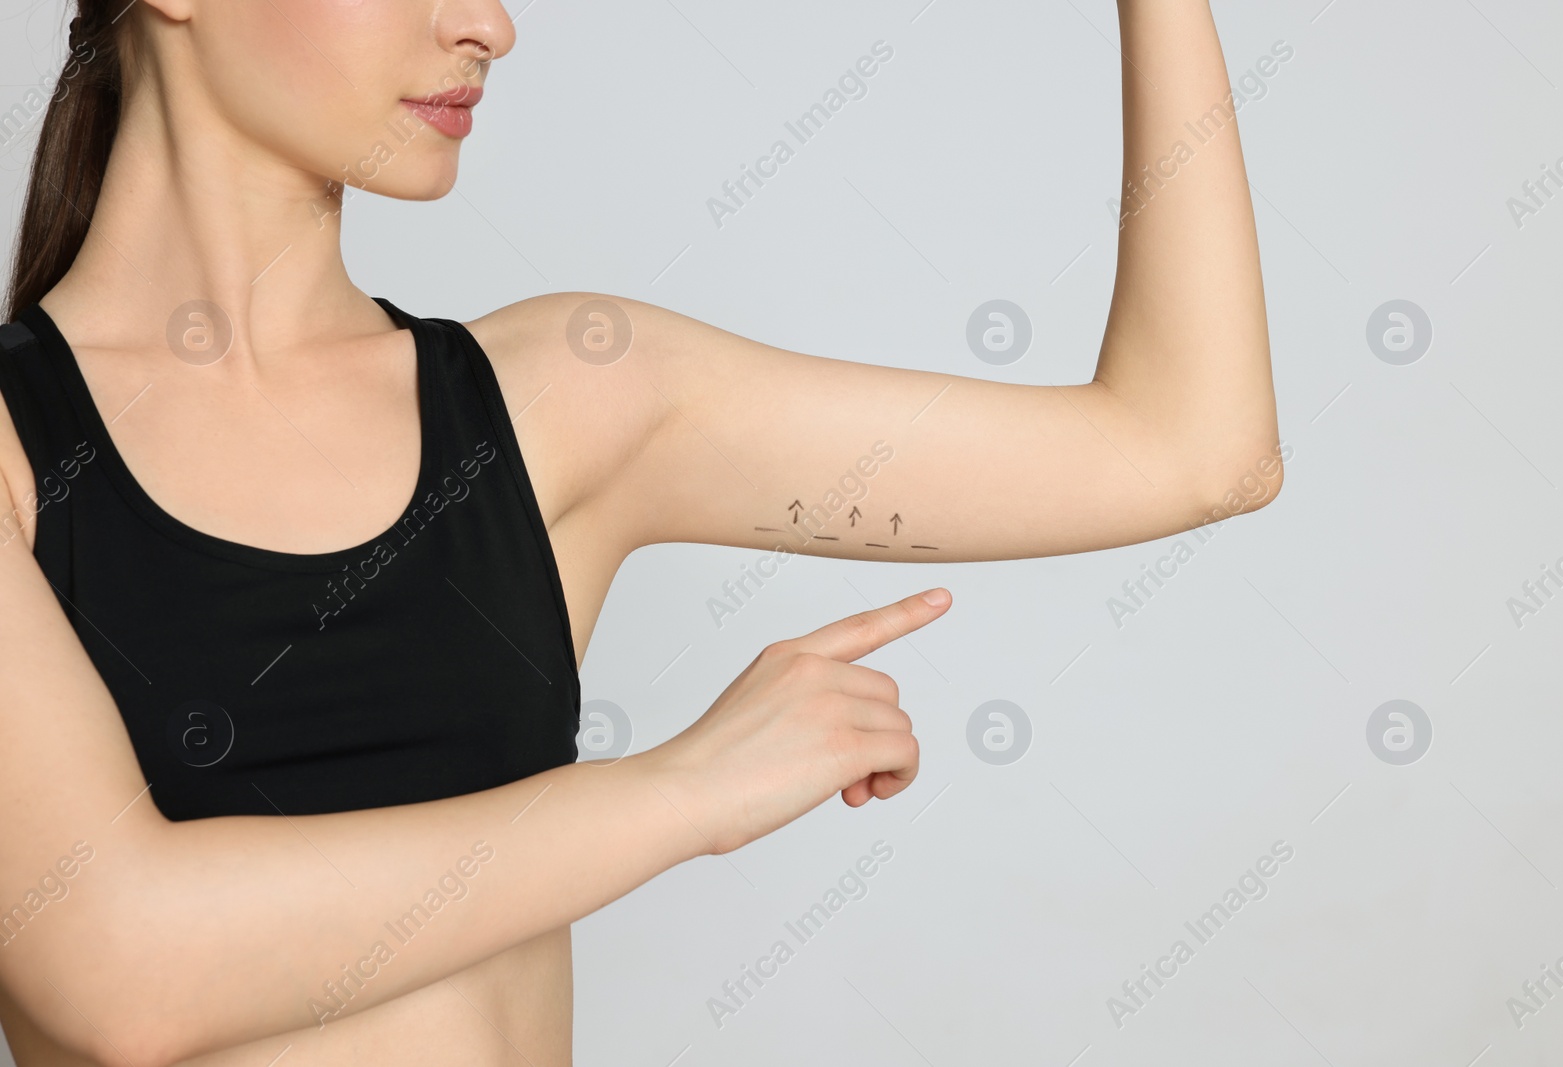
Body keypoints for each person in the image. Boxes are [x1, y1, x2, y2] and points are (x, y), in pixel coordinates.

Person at [0, 0, 1283, 1063]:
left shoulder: (568, 397)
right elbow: (119, 966)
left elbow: (1193, 451)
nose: (489, 24)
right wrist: (685, 788)